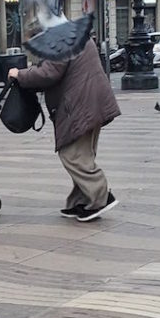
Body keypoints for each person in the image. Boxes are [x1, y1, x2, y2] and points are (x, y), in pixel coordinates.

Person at [9, 39, 121, 221]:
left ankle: (101, 197)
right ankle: (81, 201)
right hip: (91, 102)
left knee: (72, 155)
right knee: (82, 154)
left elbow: (49, 73)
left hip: (80, 105)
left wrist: (19, 74)